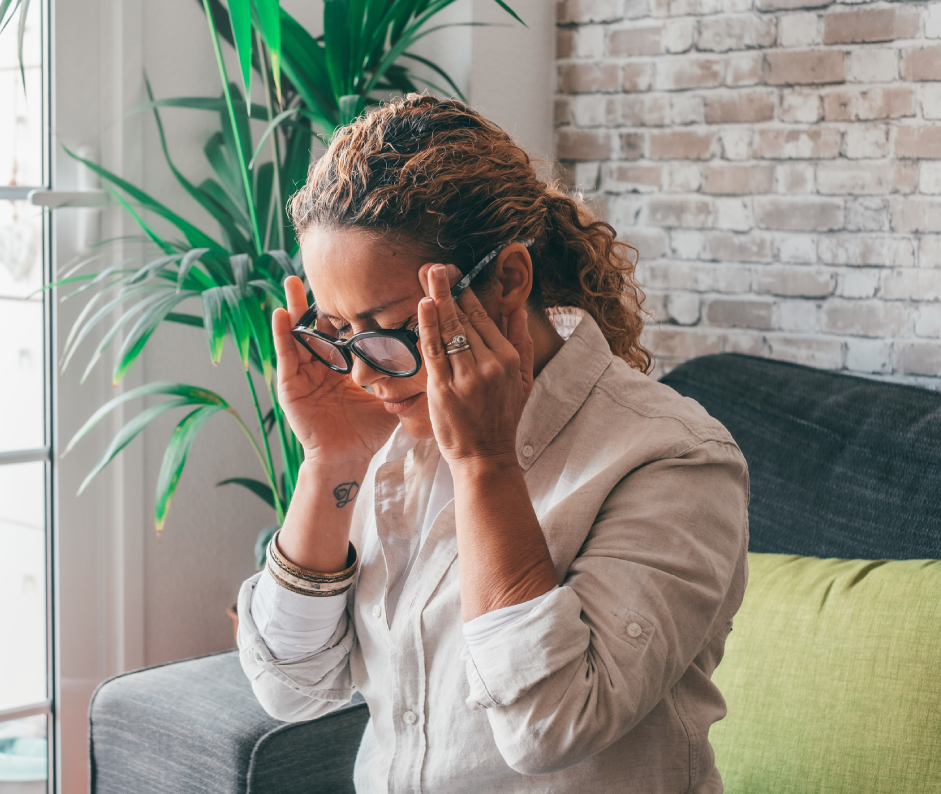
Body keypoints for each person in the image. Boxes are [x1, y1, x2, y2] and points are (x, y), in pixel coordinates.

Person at [235, 94, 749, 793]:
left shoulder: (674, 458)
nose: (361, 371)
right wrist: (334, 460)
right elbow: (291, 689)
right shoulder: (391, 434)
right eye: (335, 332)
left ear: (508, 278)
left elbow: (551, 726)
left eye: (390, 330)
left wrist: (486, 465)